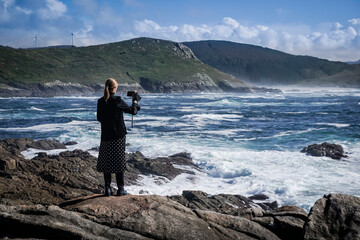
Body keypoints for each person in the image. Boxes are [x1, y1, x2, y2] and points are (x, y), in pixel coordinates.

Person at [97, 78, 140, 196]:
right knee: (119, 161)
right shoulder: (117, 100)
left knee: (107, 161)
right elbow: (133, 111)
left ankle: (108, 189)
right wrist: (135, 101)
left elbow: (99, 118)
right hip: (118, 135)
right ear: (115, 88)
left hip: (106, 135)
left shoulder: (101, 101)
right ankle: (121, 189)